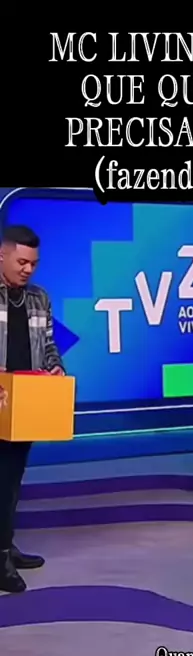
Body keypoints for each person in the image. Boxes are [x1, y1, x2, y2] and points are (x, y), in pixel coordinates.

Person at [0, 225, 65, 594]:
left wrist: (55, 368)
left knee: (12, 479)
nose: (28, 269)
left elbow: (49, 345)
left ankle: (5, 546)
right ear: (2, 255)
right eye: (22, 262)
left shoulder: (40, 298)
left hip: (27, 403)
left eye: (33, 264)